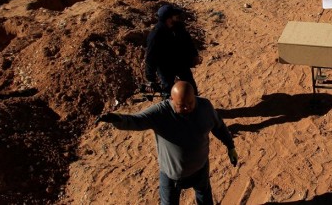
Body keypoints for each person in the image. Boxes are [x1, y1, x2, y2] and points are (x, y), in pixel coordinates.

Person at [96, 81, 238, 205]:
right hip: (172, 175)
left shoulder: (205, 106)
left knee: (204, 197)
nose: (187, 108)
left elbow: (219, 126)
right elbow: (137, 120)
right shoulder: (161, 113)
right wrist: (117, 119)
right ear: (171, 99)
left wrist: (230, 146)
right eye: (181, 105)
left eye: (190, 103)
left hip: (200, 169)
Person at [145, 5, 202, 96]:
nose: (178, 16)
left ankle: (196, 107)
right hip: (165, 67)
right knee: (169, 93)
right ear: (169, 18)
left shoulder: (178, 27)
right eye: (175, 15)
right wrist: (150, 79)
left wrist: (194, 55)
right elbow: (150, 58)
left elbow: (188, 41)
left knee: (191, 89)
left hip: (180, 63)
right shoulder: (155, 35)